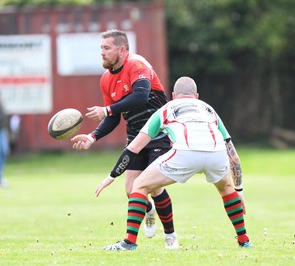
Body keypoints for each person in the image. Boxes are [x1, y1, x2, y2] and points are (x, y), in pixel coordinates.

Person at [96, 76, 251, 250]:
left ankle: (129, 242)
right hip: (216, 153)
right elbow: (233, 154)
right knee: (226, 189)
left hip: (186, 152)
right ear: (197, 96)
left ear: (173, 95)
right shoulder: (209, 109)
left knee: (139, 185)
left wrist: (112, 175)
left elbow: (135, 147)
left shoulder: (166, 108)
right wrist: (239, 191)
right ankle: (244, 240)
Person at [71, 29, 178, 248]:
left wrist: (107, 110)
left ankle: (170, 238)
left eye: (106, 48)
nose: (102, 53)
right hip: (135, 137)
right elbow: (113, 117)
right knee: (132, 190)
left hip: (158, 133)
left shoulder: (137, 65)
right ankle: (148, 209)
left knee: (152, 185)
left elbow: (140, 97)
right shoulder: (106, 79)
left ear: (122, 50)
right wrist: (93, 137)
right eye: (101, 48)